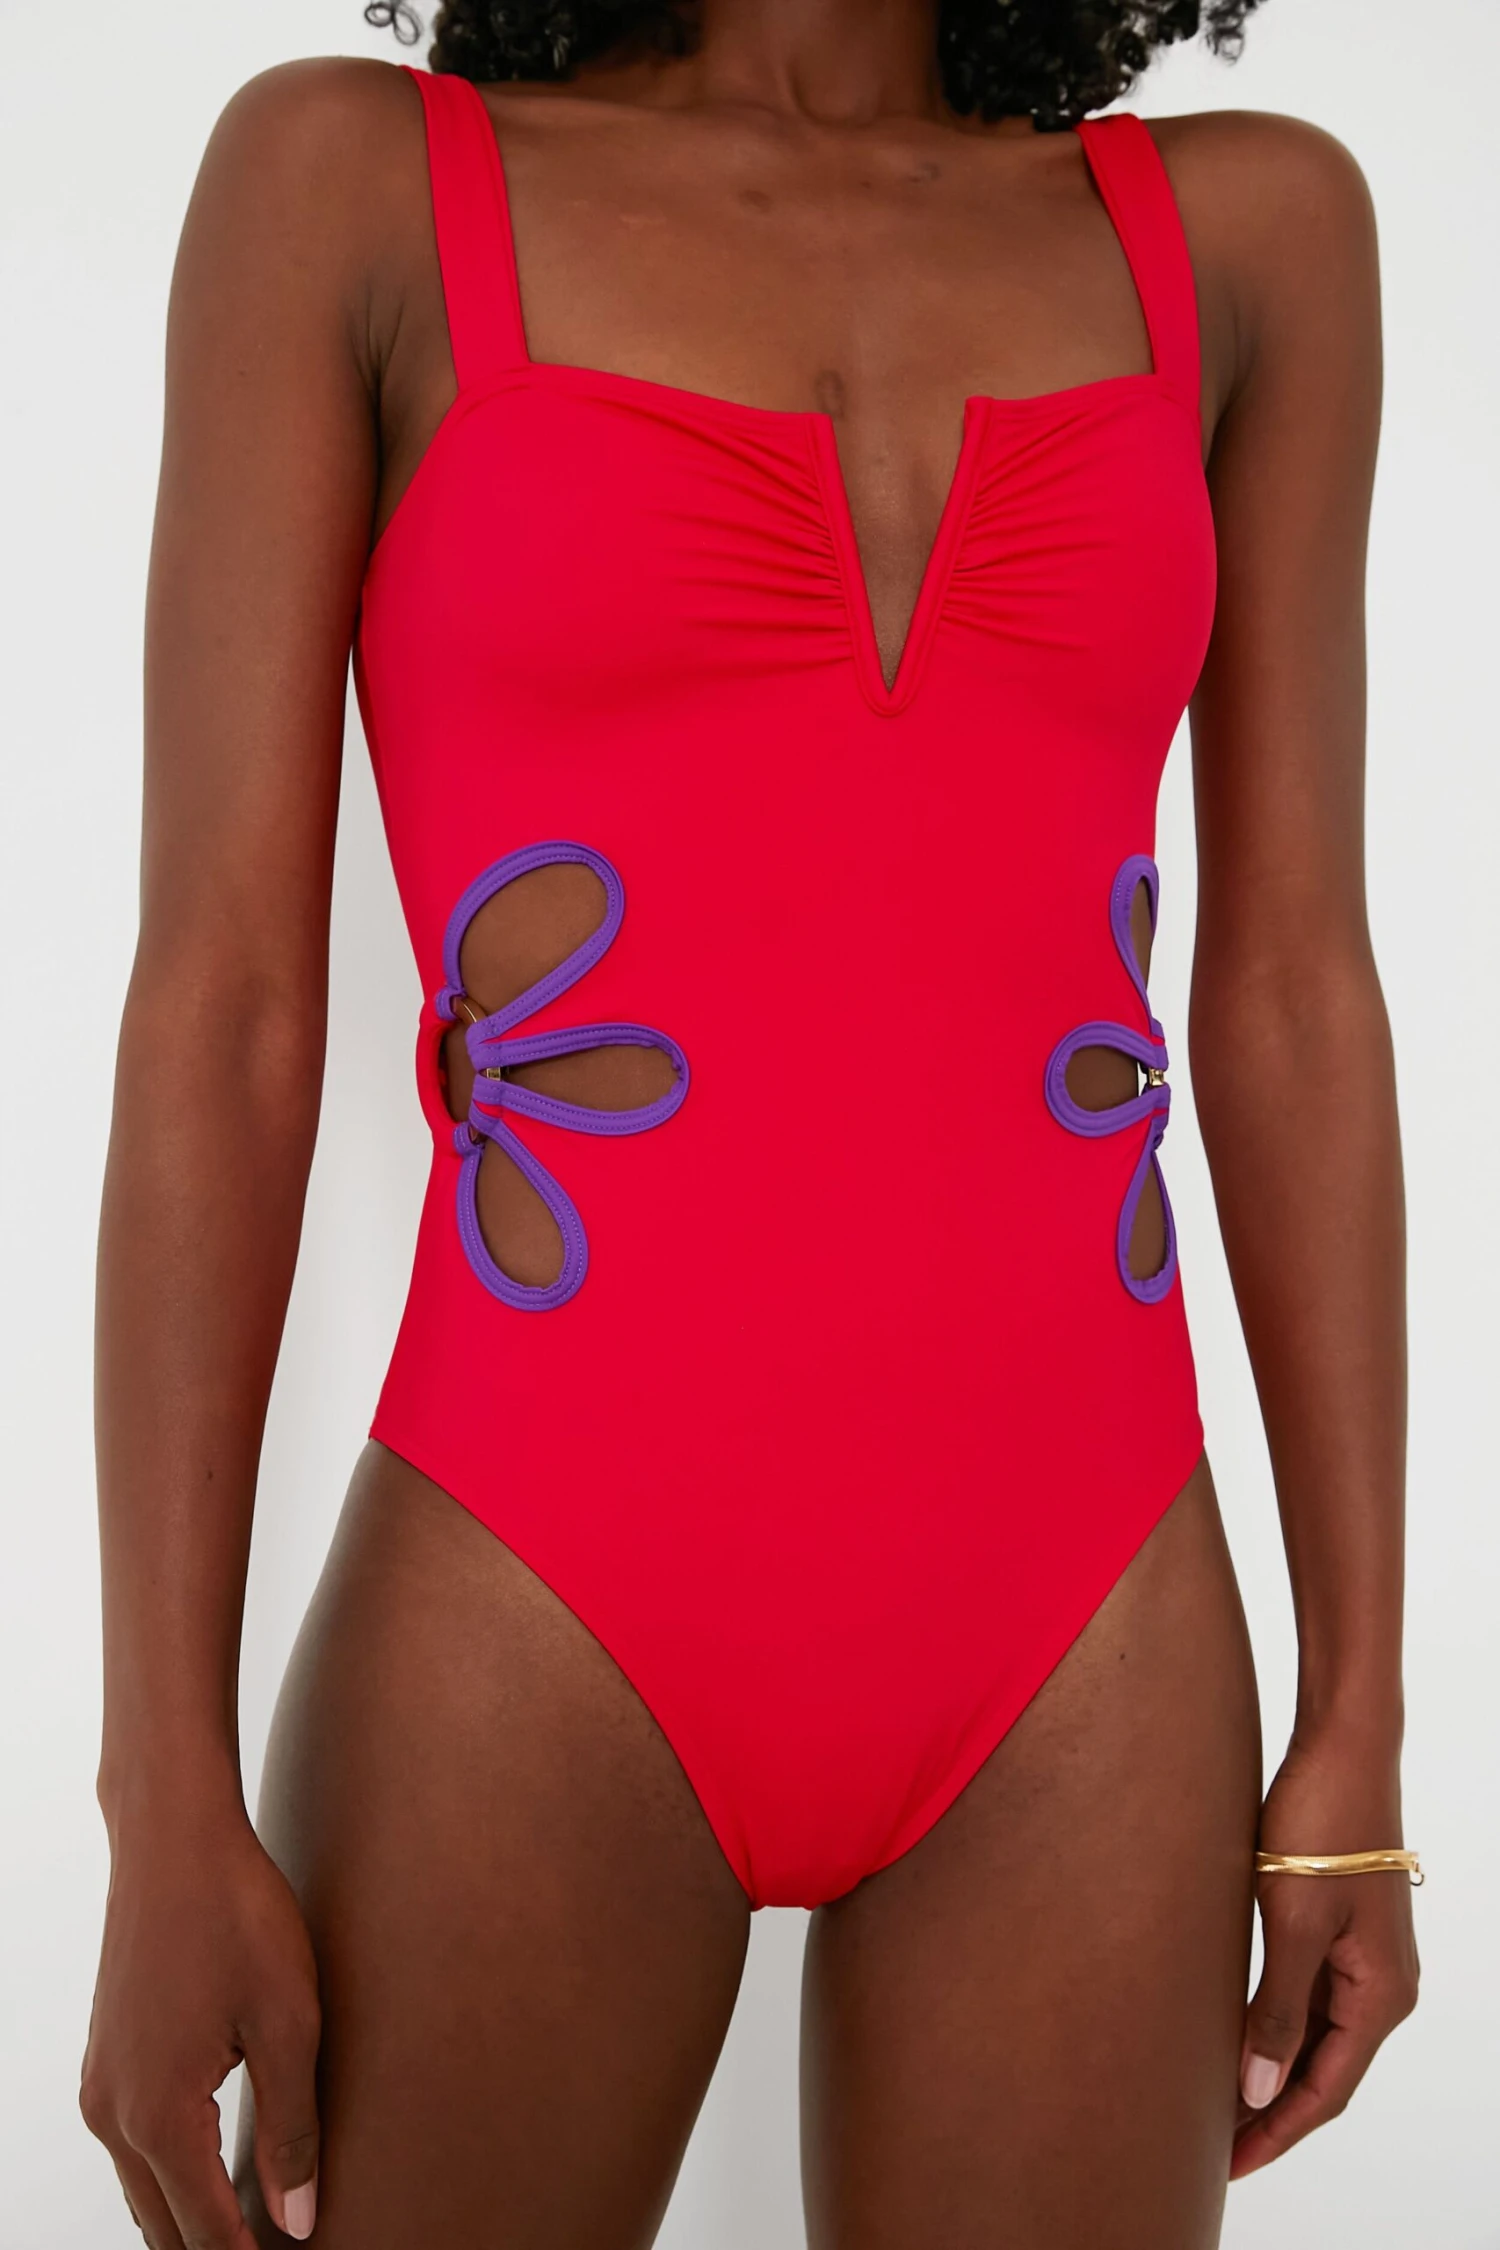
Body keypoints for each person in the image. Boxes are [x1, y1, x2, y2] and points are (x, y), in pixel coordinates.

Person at [79, 2, 1421, 2244]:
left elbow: (1295, 993)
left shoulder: (1254, 235)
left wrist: (1359, 1722)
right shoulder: (355, 187)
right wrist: (161, 1793)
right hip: (531, 1596)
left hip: (1088, 1631)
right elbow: (221, 1011)